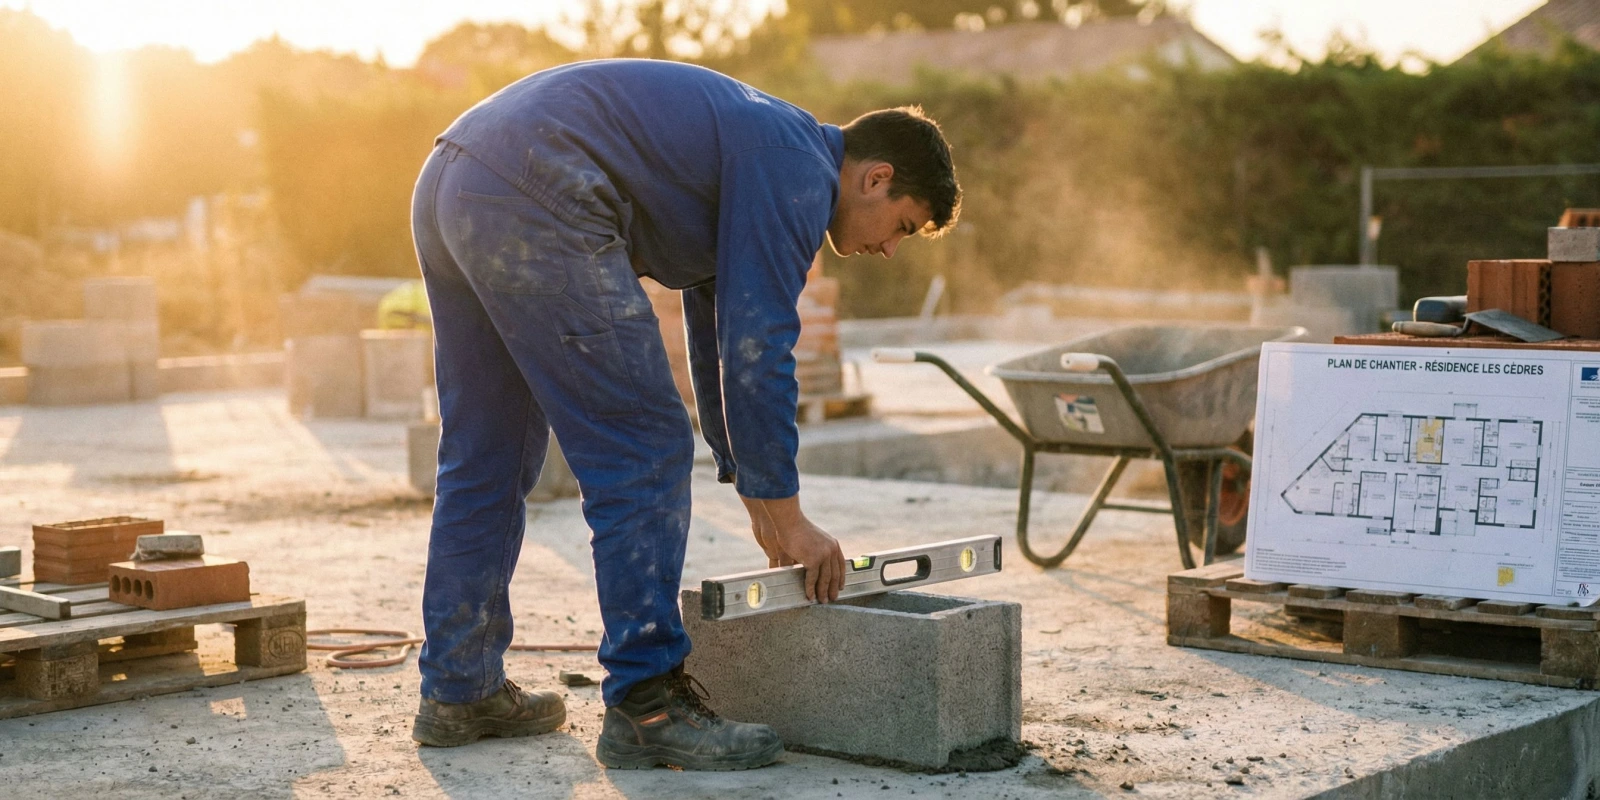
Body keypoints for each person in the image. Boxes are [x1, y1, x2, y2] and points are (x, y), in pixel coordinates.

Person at [407, 58, 960, 770]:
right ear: (875, 178)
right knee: (645, 447)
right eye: (902, 227)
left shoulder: (762, 144)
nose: (887, 248)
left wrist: (756, 495)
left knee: (489, 450)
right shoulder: (799, 171)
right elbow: (759, 351)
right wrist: (792, 517)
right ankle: (648, 705)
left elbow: (717, 338)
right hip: (537, 187)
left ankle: (459, 689)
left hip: (454, 177)